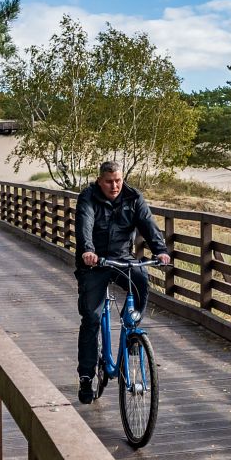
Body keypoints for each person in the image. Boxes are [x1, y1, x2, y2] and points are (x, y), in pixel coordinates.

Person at [75, 161, 171, 404]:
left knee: (140, 278)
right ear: (100, 180)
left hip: (121, 258)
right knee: (92, 318)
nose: (114, 185)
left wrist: (160, 250)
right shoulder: (87, 198)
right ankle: (86, 376)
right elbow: (84, 226)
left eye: (118, 180)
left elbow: (148, 225)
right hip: (94, 263)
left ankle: (133, 330)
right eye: (109, 181)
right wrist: (88, 251)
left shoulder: (133, 197)